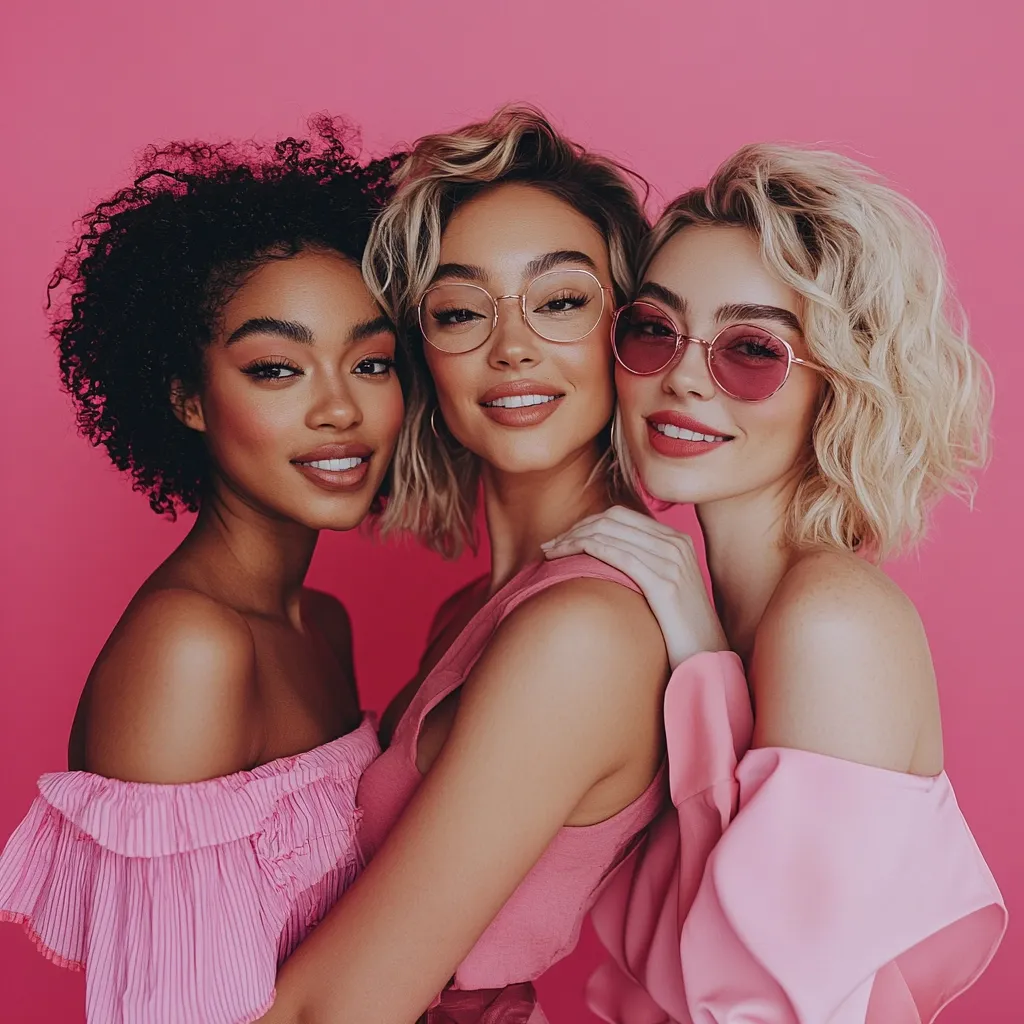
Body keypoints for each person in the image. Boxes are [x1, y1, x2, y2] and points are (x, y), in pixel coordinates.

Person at [258, 106, 725, 1024]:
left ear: (632, 333)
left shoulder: (581, 633)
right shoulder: (485, 604)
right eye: (463, 311)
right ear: (422, 353)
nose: (511, 347)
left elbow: (337, 1009)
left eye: (559, 301)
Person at [544, 143, 1007, 1022]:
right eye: (653, 328)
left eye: (752, 350)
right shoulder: (697, 610)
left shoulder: (833, 624)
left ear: (838, 388)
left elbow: (768, 1006)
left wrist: (706, 666)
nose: (683, 375)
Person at [0, 120, 405, 1024]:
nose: (339, 407)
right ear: (186, 397)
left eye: (371, 362)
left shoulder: (320, 621)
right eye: (275, 368)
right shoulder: (191, 649)